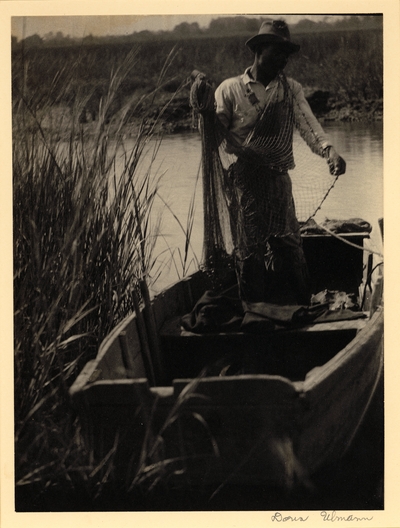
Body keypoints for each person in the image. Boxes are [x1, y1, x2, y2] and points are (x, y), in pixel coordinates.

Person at [213, 19, 346, 305]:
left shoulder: (290, 89)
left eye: (287, 54)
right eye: (278, 52)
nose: (284, 59)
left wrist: (329, 151)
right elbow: (215, 138)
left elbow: (309, 126)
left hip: (277, 182)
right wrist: (204, 113)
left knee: (289, 246)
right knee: (250, 252)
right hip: (244, 184)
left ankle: (299, 307)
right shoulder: (229, 90)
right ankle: (254, 315)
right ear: (259, 50)